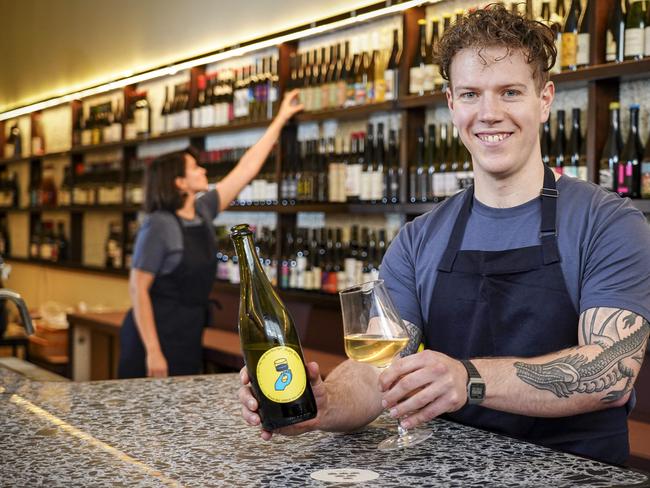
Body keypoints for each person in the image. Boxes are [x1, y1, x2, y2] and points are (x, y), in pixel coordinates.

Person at [239, 5, 650, 466]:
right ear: (451, 103)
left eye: (511, 92)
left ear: (545, 99)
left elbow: (611, 374)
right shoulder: (419, 238)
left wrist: (467, 379)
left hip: (577, 471)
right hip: (452, 469)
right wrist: (323, 402)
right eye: (471, 94)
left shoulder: (608, 222)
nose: (490, 113)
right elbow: (377, 370)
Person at [118, 90, 303, 379]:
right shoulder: (159, 225)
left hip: (188, 332)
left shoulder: (202, 211)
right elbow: (137, 289)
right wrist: (153, 350)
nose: (203, 169)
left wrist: (280, 119)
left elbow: (246, 169)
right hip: (152, 337)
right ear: (179, 182)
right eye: (194, 167)